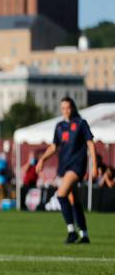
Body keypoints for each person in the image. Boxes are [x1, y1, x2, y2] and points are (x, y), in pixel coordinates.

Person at [36, 97, 96, 244]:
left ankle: (71, 231)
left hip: (76, 166)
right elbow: (54, 147)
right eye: (63, 108)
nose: (65, 111)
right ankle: (84, 234)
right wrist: (42, 159)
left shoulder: (81, 123)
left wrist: (93, 165)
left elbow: (90, 143)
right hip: (64, 166)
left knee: (61, 194)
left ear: (73, 108)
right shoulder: (59, 126)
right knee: (74, 200)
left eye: (68, 108)